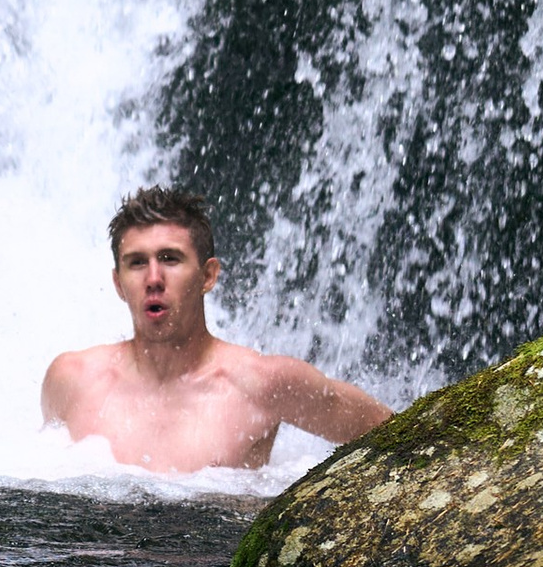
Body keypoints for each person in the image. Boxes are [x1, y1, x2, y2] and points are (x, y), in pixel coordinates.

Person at [41, 186, 393, 473]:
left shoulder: (265, 384)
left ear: (208, 276)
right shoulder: (71, 381)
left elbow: (396, 434)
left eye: (170, 259)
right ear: (119, 284)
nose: (153, 278)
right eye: (137, 263)